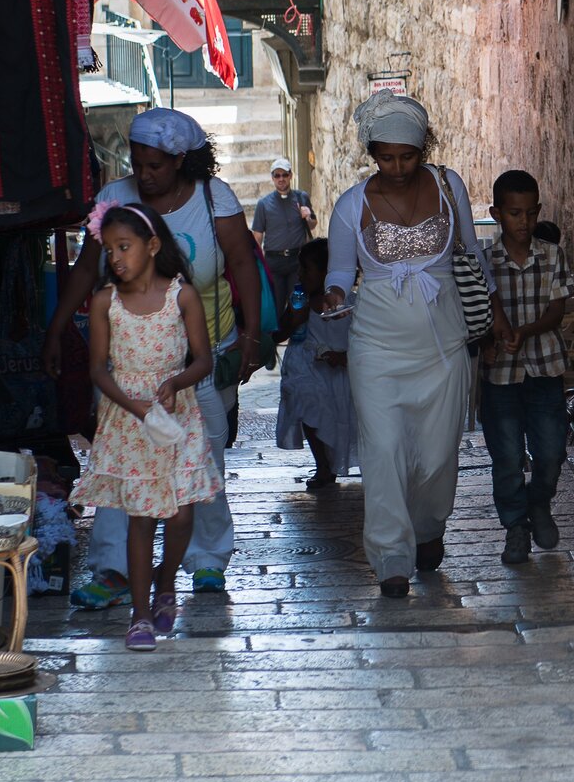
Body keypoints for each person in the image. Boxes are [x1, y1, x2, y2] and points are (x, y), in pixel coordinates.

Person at [44, 107, 264, 609]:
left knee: (202, 461)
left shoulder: (214, 198)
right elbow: (84, 270)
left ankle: (207, 560)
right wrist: (57, 329)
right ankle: (114, 570)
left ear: (181, 162)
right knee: (122, 469)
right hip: (128, 367)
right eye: (138, 163)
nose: (143, 175)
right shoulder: (113, 200)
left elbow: (242, 264)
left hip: (199, 358)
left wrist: (252, 334)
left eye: (156, 166)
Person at [320, 94, 493, 600]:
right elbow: (338, 270)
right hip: (376, 349)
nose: (396, 167)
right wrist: (334, 291)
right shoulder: (352, 205)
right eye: (386, 157)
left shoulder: (448, 186)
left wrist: (495, 311)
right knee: (384, 450)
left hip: (444, 347)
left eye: (407, 156)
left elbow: (473, 254)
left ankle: (427, 525)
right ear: (372, 152)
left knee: (438, 456)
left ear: (424, 149)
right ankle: (392, 557)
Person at [71, 201, 220, 651]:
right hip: (129, 417)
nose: (116, 258)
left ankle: (167, 583)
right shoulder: (105, 303)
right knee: (140, 519)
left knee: (180, 513)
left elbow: (204, 359)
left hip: (177, 415)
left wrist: (175, 383)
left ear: (152, 246)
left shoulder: (182, 296)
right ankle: (138, 615)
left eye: (125, 247)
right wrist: (134, 407)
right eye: (109, 250)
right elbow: (98, 370)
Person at [479, 170, 571, 565]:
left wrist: (526, 330)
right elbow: (475, 313)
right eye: (515, 214)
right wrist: (489, 340)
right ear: (496, 213)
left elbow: (557, 309)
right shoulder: (483, 261)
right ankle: (516, 527)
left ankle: (540, 503)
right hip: (500, 376)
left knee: (551, 452)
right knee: (507, 456)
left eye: (531, 214)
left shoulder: (552, 255)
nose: (524, 223)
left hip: (545, 369)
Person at [273, 239, 354, 492]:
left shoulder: (350, 302)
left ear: (327, 272)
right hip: (304, 366)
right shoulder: (299, 298)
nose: (300, 274)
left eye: (306, 268)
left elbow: (359, 337)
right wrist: (294, 319)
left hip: (338, 369)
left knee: (338, 416)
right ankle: (322, 466)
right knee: (307, 405)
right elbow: (279, 334)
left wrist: (344, 357)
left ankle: (334, 463)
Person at [250, 156, 315, 326]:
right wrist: (257, 264)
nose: (281, 179)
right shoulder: (263, 204)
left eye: (284, 175)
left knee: (298, 304)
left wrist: (307, 216)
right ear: (272, 178)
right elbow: (257, 235)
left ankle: (298, 344)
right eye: (277, 175)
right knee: (277, 306)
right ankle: (274, 344)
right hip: (274, 263)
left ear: (290, 176)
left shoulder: (302, 197)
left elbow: (313, 224)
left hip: (296, 261)